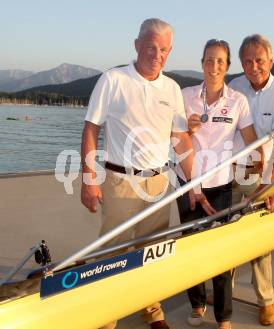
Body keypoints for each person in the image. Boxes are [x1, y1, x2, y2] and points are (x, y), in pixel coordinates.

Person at [80, 18, 212, 329]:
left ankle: (151, 311)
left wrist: (194, 184)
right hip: (120, 181)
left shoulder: (171, 88)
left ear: (170, 52)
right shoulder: (113, 80)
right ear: (137, 45)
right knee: (112, 252)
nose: (157, 54)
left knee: (151, 251)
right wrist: (88, 178)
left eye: (164, 49)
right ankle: (105, 318)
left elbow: (180, 139)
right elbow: (91, 128)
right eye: (151, 46)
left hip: (158, 182)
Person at [175, 39, 263, 329]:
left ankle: (224, 317)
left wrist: (265, 164)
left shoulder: (237, 101)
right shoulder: (184, 95)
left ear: (227, 67)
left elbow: (251, 139)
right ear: (202, 63)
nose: (214, 66)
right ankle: (198, 305)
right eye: (209, 60)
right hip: (188, 183)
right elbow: (173, 135)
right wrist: (188, 127)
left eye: (220, 62)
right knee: (190, 249)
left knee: (220, 253)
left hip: (221, 185)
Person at [229, 34, 274, 326]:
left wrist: (271, 184)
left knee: (258, 239)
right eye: (247, 60)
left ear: (271, 61)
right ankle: (222, 295)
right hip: (228, 171)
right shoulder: (234, 87)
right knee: (224, 234)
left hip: (261, 174)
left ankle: (266, 300)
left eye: (259, 60)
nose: (253, 66)